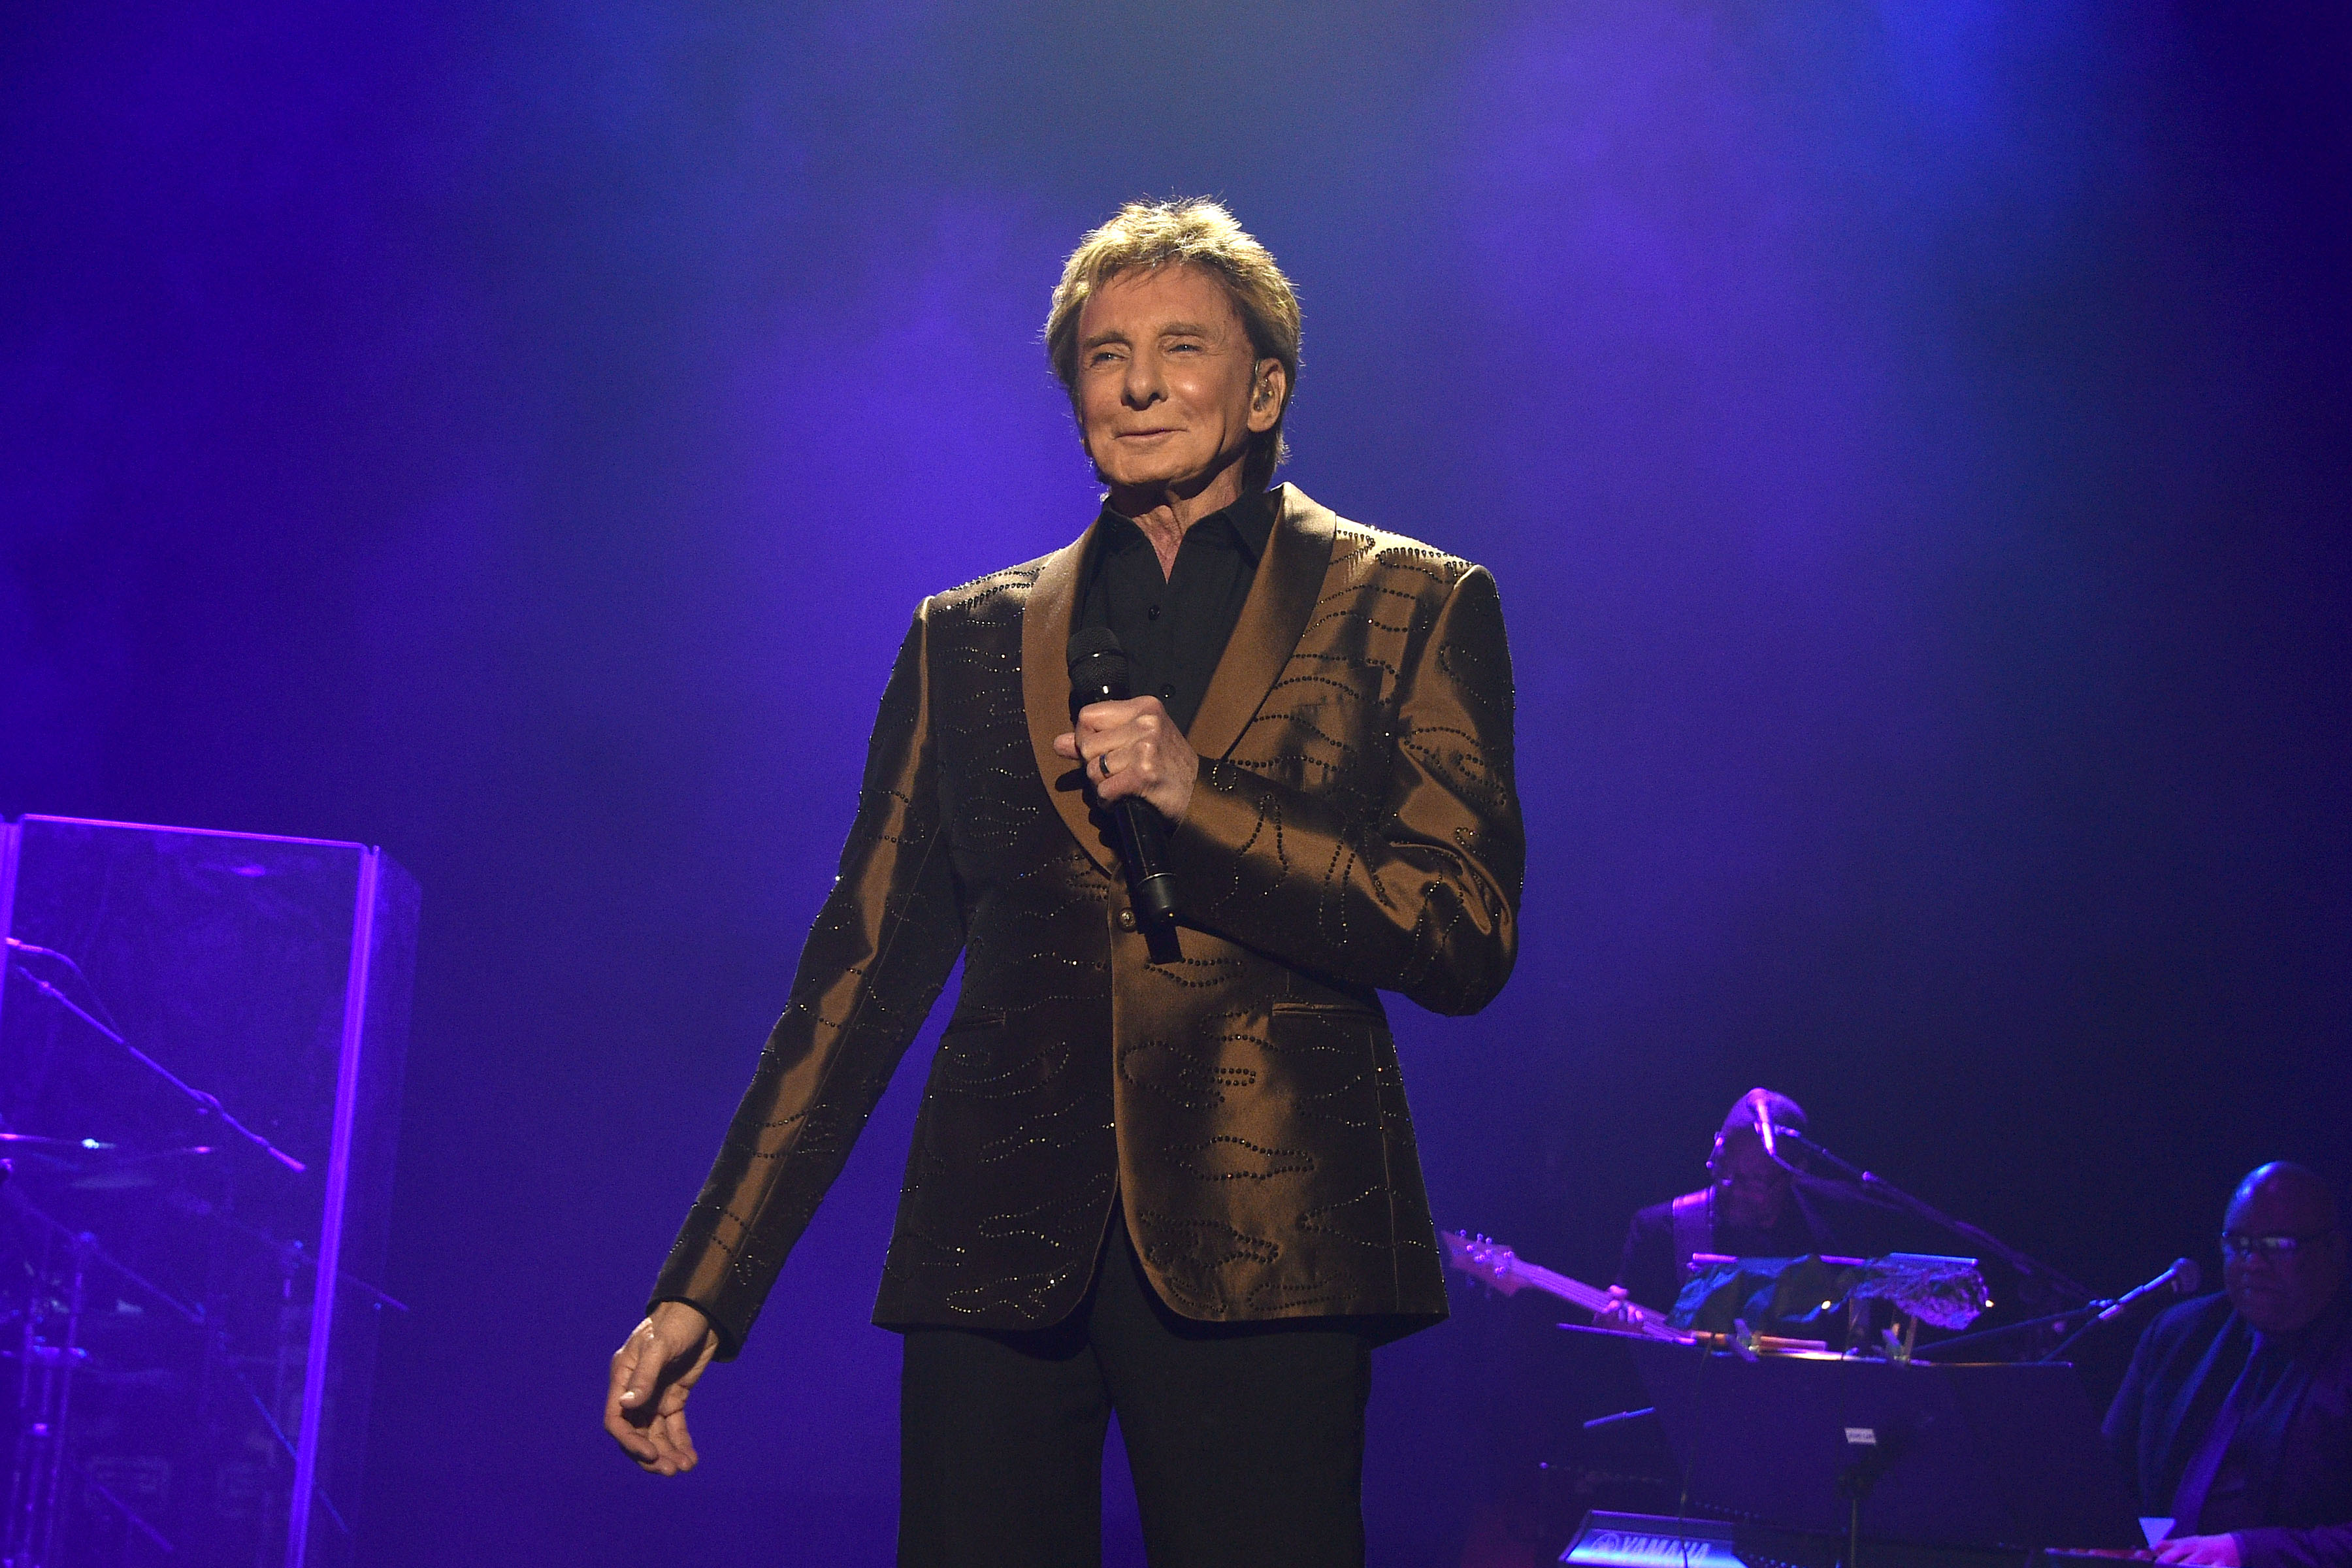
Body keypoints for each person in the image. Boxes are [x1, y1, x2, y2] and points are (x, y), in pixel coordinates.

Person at [600, 198, 1524, 1566]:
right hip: (993, 1256)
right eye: (1105, 355)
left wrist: (1201, 802)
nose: (1140, 383)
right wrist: (707, 1289)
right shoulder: (965, 641)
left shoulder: (1411, 604)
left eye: (1182, 348)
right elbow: (853, 980)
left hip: (1267, 1250)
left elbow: (1463, 931)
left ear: (1264, 387)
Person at [2104, 1162, 2351, 1568]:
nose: (2252, 1262)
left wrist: (2245, 1551)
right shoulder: (2179, 1333)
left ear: (2334, 1250)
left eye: (2276, 1245)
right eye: (2237, 1244)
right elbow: (2103, 1476)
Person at [1605, 1088, 1901, 1316]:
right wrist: (1616, 1323)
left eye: (1754, 1179)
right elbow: (1626, 1332)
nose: (1730, 1186)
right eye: (1723, 1166)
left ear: (1795, 1173)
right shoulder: (1660, 1230)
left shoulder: (1836, 1225)